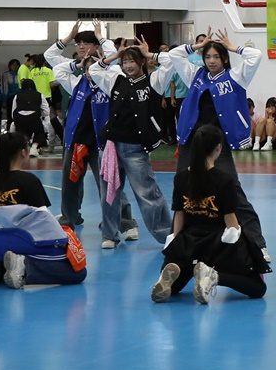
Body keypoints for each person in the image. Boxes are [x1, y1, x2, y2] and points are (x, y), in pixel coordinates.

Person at [156, 29, 269, 258]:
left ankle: (257, 245)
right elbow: (176, 55)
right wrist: (197, 46)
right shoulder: (195, 75)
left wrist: (233, 47)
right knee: (184, 189)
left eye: (216, 56)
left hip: (218, 143)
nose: (211, 61)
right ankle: (175, 242)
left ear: (224, 59)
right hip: (192, 141)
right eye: (207, 57)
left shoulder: (236, 76)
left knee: (232, 189)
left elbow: (255, 56)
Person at [151, 124, 268, 304]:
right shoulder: (224, 180)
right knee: (258, 288)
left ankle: (174, 269)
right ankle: (213, 275)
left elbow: (179, 215)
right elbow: (230, 221)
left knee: (175, 289)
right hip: (216, 244)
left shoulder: (181, 178)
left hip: (189, 241)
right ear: (218, 148)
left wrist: (175, 242)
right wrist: (243, 243)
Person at [46, 25, 137, 247]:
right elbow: (54, 62)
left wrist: (100, 38)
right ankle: (69, 218)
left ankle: (126, 222)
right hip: (75, 140)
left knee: (109, 183)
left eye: (85, 43)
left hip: (101, 142)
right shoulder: (76, 82)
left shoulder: (110, 79)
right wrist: (75, 56)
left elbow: (113, 59)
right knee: (70, 182)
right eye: (77, 44)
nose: (80, 47)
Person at [0, 132, 86, 290]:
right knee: (77, 272)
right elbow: (43, 221)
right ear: (23, 152)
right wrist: (62, 239)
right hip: (23, 242)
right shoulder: (29, 181)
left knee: (2, 260)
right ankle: (25, 267)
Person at [86, 43, 174, 245]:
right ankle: (109, 235)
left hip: (136, 149)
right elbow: (94, 70)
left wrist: (149, 53)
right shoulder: (115, 80)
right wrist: (113, 56)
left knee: (148, 194)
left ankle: (167, 236)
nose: (127, 66)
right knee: (109, 194)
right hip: (111, 147)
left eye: (132, 61)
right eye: (124, 62)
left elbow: (170, 62)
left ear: (141, 62)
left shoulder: (154, 81)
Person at [9, 79, 51, 156]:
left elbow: (13, 112)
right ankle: (34, 148)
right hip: (34, 118)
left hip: (19, 118)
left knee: (21, 133)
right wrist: (39, 114)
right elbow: (46, 112)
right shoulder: (39, 95)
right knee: (39, 131)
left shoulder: (17, 96)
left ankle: (22, 148)